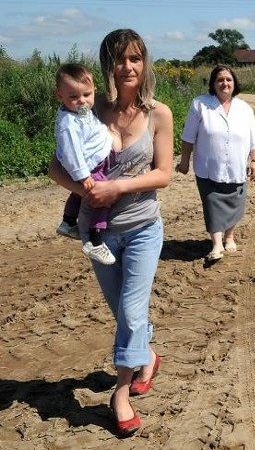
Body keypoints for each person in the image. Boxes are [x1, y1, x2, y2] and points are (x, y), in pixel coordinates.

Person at [49, 28, 173, 436]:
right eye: (119, 59)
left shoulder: (159, 113)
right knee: (122, 312)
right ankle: (147, 356)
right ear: (107, 66)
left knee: (132, 311)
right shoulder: (87, 106)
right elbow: (55, 167)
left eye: (135, 58)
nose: (127, 67)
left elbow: (163, 174)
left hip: (142, 228)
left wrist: (116, 186)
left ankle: (119, 394)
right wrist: (85, 190)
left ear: (144, 62)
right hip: (96, 232)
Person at [177, 65, 255, 263]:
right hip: (208, 168)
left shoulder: (244, 108)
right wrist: (184, 162)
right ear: (213, 84)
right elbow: (188, 136)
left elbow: (254, 138)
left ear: (234, 83)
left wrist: (254, 161)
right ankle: (217, 243)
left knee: (235, 203)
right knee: (212, 204)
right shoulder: (200, 104)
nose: (225, 83)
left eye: (228, 80)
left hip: (237, 167)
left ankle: (230, 236)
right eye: (220, 80)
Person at [54, 63, 120, 265]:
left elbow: (91, 127)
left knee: (77, 194)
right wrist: (83, 176)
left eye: (86, 94)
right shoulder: (68, 123)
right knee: (103, 199)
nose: (81, 101)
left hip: (91, 164)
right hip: (88, 167)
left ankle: (67, 222)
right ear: (60, 96)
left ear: (94, 92)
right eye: (73, 97)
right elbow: (71, 152)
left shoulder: (80, 112)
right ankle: (95, 241)